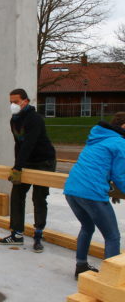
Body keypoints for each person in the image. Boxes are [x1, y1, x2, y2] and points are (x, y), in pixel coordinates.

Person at [64, 112, 125, 279]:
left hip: (72, 190)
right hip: (91, 193)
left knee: (87, 227)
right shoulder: (120, 142)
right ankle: (110, 279)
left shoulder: (97, 139)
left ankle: (81, 266)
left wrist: (111, 188)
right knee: (112, 236)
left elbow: (100, 167)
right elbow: (120, 175)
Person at [0, 88, 56, 253]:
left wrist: (17, 167)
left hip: (44, 161)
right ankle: (16, 233)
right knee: (17, 195)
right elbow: (19, 144)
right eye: (10, 102)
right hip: (27, 161)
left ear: (25, 101)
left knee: (39, 197)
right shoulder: (14, 120)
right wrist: (18, 166)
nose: (13, 105)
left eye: (15, 102)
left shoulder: (35, 119)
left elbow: (29, 144)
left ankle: (38, 234)